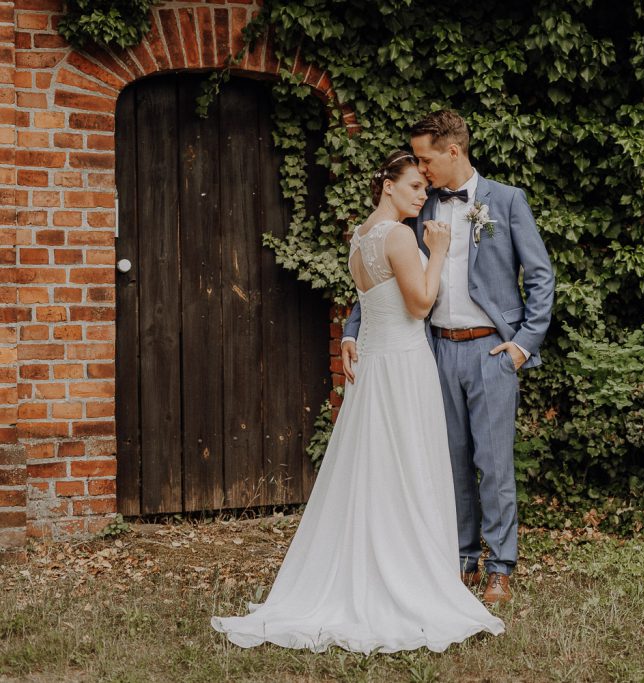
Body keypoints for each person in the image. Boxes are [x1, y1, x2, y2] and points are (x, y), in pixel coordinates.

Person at [210, 151, 504, 653]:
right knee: (408, 469)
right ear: (388, 186)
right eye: (413, 187)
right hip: (405, 366)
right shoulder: (397, 236)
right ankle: (407, 580)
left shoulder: (360, 238)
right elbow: (420, 303)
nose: (422, 195)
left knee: (375, 471)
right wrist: (439, 249)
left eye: (423, 188)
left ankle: (371, 564)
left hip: (375, 367)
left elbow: (373, 306)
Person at [342, 111, 555, 604]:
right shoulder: (421, 206)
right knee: (449, 461)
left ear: (452, 151)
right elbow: (385, 281)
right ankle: (461, 558)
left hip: (491, 350)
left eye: (425, 157)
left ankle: (501, 565)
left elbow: (541, 277)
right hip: (432, 349)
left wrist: (522, 345)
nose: (422, 167)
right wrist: (354, 329)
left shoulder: (505, 200)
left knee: (494, 463)